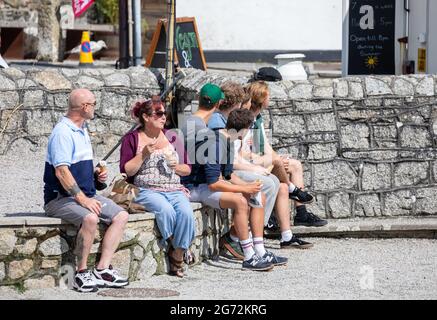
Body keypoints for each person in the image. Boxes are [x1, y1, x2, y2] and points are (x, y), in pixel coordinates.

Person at [181, 83, 286, 271]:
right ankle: (248, 257)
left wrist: (251, 187)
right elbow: (213, 183)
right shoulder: (214, 142)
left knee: (259, 196)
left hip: (208, 184)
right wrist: (244, 189)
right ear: (243, 130)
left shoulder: (228, 140)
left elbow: (228, 176)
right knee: (240, 201)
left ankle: (260, 251)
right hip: (196, 187)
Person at [208, 82, 312, 258]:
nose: (245, 106)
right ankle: (249, 236)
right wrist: (256, 167)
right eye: (242, 103)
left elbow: (243, 150)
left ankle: (261, 235)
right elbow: (231, 161)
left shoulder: (239, 120)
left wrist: (260, 164)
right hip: (228, 173)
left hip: (236, 167)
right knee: (269, 183)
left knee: (277, 183)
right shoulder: (220, 122)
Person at [43, 89, 129, 293]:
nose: (95, 107)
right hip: (59, 199)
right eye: (94, 103)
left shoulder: (82, 128)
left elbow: (75, 167)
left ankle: (102, 269)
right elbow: (62, 172)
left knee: (121, 215)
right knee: (90, 218)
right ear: (85, 107)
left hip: (85, 194)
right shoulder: (63, 133)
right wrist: (83, 200)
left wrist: (95, 175)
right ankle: (81, 273)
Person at [119, 96, 195, 278]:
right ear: (146, 117)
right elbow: (126, 171)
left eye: (165, 113)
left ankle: (176, 252)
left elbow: (187, 169)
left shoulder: (173, 137)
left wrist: (176, 167)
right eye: (159, 113)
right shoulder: (132, 138)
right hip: (146, 189)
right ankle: (176, 251)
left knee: (186, 213)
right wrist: (143, 155)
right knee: (165, 210)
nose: (164, 117)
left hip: (174, 188)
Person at [244, 80, 328, 228]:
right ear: (262, 99)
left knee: (295, 165)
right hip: (250, 162)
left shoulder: (258, 118)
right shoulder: (246, 119)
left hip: (259, 158)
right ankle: (289, 192)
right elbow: (245, 151)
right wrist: (274, 160)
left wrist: (277, 157)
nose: (270, 99)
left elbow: (265, 146)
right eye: (268, 96)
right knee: (278, 165)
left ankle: (301, 213)